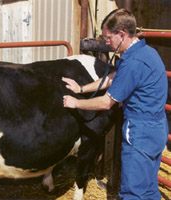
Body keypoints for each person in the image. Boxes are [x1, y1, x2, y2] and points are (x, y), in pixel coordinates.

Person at [62, 8, 168, 200]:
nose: (106, 43)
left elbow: (106, 102)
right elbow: (114, 77)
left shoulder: (133, 62)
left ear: (122, 34)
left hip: (140, 132)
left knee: (133, 193)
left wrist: (76, 102)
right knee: (150, 189)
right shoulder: (147, 52)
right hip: (157, 129)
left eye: (108, 38)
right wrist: (81, 89)